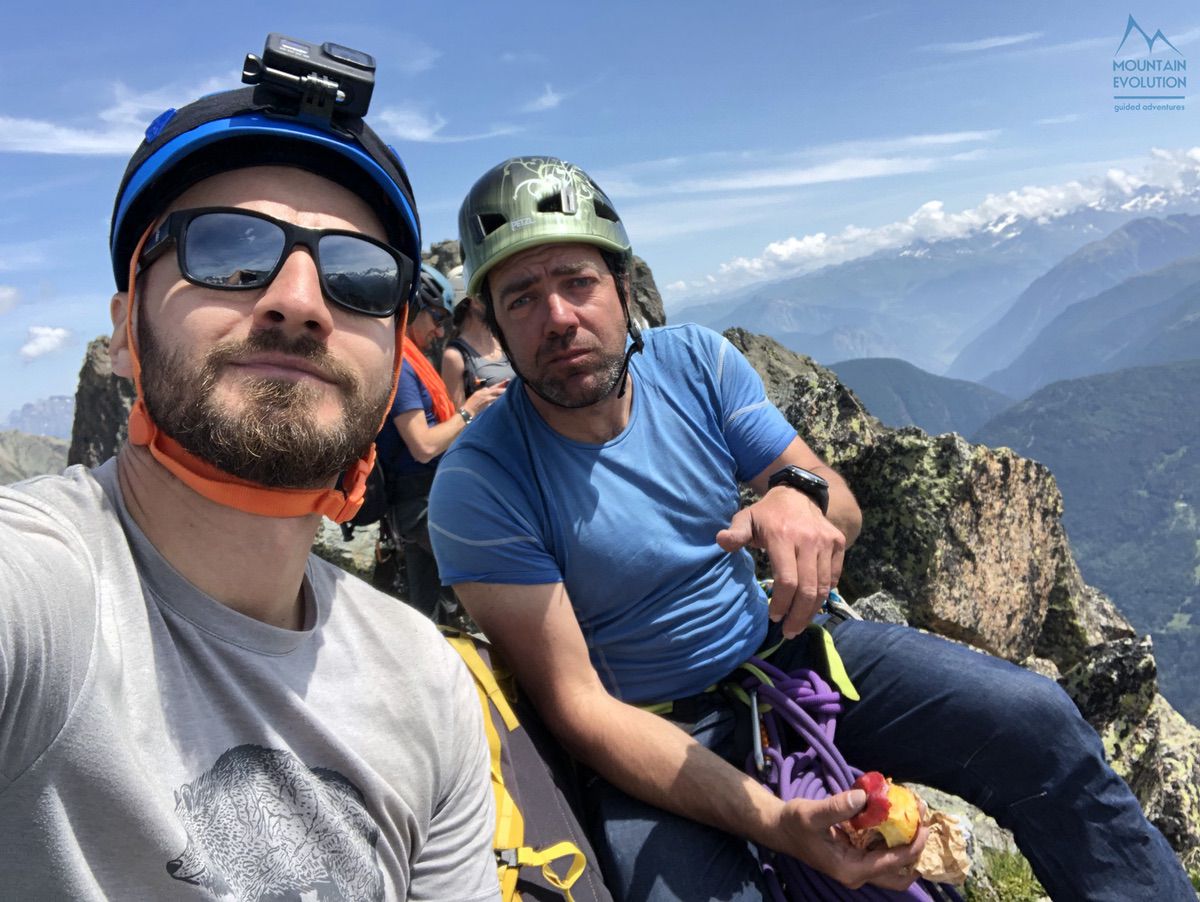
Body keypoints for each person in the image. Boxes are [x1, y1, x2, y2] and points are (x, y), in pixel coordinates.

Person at [428, 156, 1194, 902]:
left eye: (578, 282)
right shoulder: (480, 484)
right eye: (522, 297)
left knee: (1036, 722)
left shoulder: (692, 363)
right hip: (649, 731)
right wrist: (777, 823)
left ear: (624, 290)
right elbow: (580, 708)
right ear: (491, 326)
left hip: (787, 653)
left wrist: (795, 495)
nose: (559, 317)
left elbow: (842, 508)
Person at [0, 39, 498, 901]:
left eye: (360, 276)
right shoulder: (39, 595)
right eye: (228, 250)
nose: (301, 301)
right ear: (124, 332)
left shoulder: (428, 682)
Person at [375, 264, 507, 619]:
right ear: (414, 306)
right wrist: (470, 411)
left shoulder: (410, 361)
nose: (438, 329)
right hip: (420, 504)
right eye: (435, 316)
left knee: (427, 606)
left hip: (420, 501)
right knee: (494, 575)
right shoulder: (402, 367)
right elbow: (423, 445)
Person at [441, 292, 516, 407]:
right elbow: (458, 415)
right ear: (473, 301)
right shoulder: (454, 355)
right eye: (488, 299)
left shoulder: (502, 341)